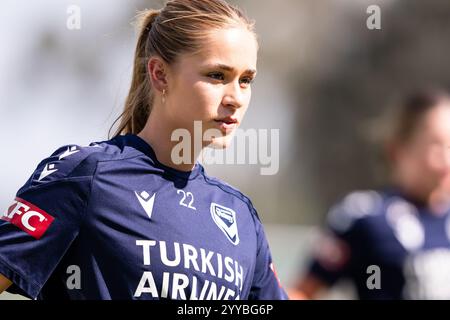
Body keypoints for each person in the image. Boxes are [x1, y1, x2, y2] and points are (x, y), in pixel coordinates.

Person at [0, 0, 287, 300]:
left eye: (246, 80)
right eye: (217, 75)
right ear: (160, 74)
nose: (236, 98)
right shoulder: (86, 175)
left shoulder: (241, 216)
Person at [289, 89, 450, 299]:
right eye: (436, 146)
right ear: (398, 149)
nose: (446, 160)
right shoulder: (364, 217)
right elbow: (302, 292)